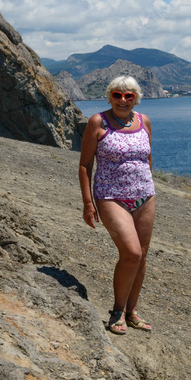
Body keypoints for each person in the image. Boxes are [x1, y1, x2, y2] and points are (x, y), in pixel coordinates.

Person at [78, 75, 156, 334]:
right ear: (109, 96)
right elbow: (85, 165)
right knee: (132, 253)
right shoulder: (98, 122)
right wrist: (88, 203)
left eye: (128, 96)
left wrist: (149, 187)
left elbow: (147, 158)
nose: (123, 100)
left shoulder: (143, 121)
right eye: (117, 95)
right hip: (111, 196)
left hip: (145, 195)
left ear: (136, 98)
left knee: (142, 256)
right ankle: (117, 311)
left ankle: (133, 312)